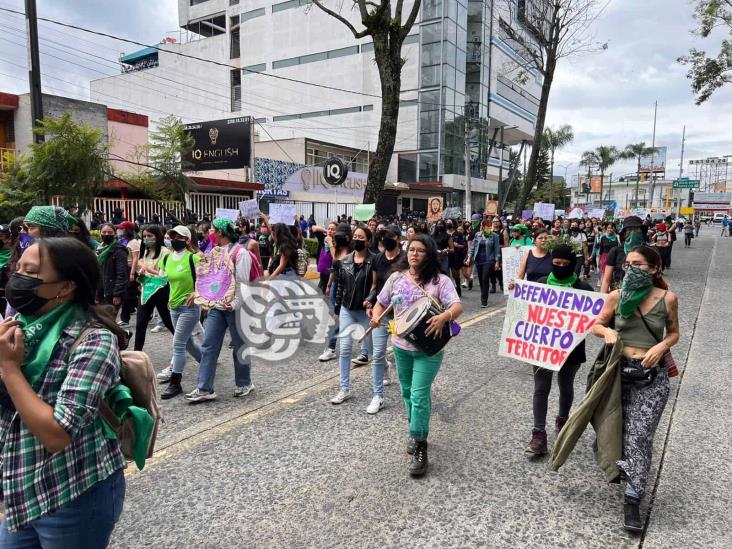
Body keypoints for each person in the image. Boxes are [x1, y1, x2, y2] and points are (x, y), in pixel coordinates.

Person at [0, 237, 127, 544]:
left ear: (65, 286)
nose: (16, 278)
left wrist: (9, 368)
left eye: (30, 272)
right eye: (17, 268)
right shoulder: (18, 326)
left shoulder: (94, 341)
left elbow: (57, 434)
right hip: (19, 489)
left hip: (72, 492)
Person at [591, 245, 679, 531]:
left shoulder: (668, 299)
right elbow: (596, 324)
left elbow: (675, 332)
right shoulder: (616, 297)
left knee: (639, 437)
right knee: (615, 427)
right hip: (617, 373)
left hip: (651, 378)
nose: (631, 269)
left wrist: (661, 345)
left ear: (654, 268)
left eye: (638, 264)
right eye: (627, 264)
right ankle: (614, 459)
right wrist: (608, 332)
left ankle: (633, 498)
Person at [370, 234, 463, 476]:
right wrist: (376, 316)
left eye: (420, 250)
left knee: (420, 394)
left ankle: (420, 444)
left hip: (429, 349)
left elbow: (457, 306)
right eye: (411, 249)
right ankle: (415, 429)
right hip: (401, 345)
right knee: (407, 392)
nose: (414, 254)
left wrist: (444, 317)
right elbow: (381, 302)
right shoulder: (396, 278)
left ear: (429, 254)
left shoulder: (440, 281)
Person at [525, 245, 593, 455]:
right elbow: (527, 313)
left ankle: (563, 421)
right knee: (541, 388)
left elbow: (592, 320)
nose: (561, 268)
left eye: (565, 265)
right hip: (544, 344)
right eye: (556, 264)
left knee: (566, 385)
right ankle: (538, 434)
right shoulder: (541, 284)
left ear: (573, 265)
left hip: (571, 347)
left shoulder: (584, 288)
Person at [186, 218, 255, 402]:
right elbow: (210, 281)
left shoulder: (241, 254)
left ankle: (244, 382)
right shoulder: (213, 252)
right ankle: (205, 388)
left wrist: (234, 304)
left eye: (213, 230)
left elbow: (243, 283)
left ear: (220, 232)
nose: (210, 232)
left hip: (236, 308)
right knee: (209, 346)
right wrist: (200, 295)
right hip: (217, 307)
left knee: (239, 347)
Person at [156, 226, 202, 399]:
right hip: (173, 306)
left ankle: (175, 382)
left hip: (189, 307)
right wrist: (145, 277)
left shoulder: (194, 258)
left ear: (188, 240)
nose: (174, 239)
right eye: (172, 236)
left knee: (178, 343)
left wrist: (197, 292)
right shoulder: (166, 259)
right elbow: (161, 279)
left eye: (179, 237)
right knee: (187, 342)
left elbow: (207, 280)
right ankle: (206, 362)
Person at [330, 226, 375, 404]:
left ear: (369, 241)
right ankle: (344, 389)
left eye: (361, 237)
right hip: (347, 309)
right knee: (345, 348)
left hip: (366, 311)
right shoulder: (345, 261)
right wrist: (338, 305)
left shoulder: (374, 261)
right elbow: (340, 285)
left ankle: (384, 367)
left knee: (373, 350)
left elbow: (375, 286)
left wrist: (370, 300)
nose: (357, 239)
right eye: (355, 236)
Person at [363, 225, 404, 413]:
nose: (384, 240)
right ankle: (378, 395)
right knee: (378, 354)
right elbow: (375, 285)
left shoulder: (405, 259)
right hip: (381, 313)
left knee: (402, 354)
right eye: (382, 236)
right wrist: (370, 302)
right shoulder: (377, 259)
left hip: (401, 316)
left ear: (397, 237)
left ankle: (409, 394)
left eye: (388, 236)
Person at [133, 225, 175, 351]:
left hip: (161, 292)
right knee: (140, 323)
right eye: (144, 236)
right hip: (145, 291)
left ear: (157, 236)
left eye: (150, 236)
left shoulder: (165, 252)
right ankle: (137, 353)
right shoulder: (144, 252)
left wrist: (146, 269)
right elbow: (140, 271)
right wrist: (140, 272)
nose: (146, 239)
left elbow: (164, 274)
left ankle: (184, 346)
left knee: (169, 322)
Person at [601, 216, 646, 293]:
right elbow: (606, 280)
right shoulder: (615, 251)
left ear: (641, 232)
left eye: (636, 229)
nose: (633, 232)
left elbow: (656, 278)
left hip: (642, 295)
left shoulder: (650, 252)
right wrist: (601, 299)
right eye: (629, 230)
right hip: (619, 294)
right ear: (624, 233)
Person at [96, 224, 129, 313]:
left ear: (115, 234)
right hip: (101, 291)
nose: (106, 234)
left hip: (112, 292)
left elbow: (122, 273)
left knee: (109, 319)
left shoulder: (119, 250)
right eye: (104, 232)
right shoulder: (99, 250)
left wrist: (117, 294)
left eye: (110, 232)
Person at [468, 219, 501, 307]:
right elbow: (473, 247)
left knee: (485, 279)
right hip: (478, 260)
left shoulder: (494, 236)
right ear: (482, 227)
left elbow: (497, 250)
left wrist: (497, 262)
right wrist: (469, 257)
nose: (488, 229)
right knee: (481, 280)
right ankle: (484, 293)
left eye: (490, 227)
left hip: (489, 260)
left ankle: (484, 300)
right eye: (487, 227)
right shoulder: (477, 235)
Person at [116, 221, 140, 329]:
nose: (120, 230)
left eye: (122, 229)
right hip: (125, 268)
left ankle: (125, 319)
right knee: (132, 294)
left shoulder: (133, 242)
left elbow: (135, 258)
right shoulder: (124, 241)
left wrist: (132, 273)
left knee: (129, 295)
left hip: (131, 269)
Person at [446, 220, 466, 296]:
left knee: (455, 274)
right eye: (447, 222)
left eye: (450, 222)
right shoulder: (444, 233)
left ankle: (458, 287)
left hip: (455, 256)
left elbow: (463, 245)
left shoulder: (458, 234)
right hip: (446, 256)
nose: (448, 224)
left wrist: (457, 245)